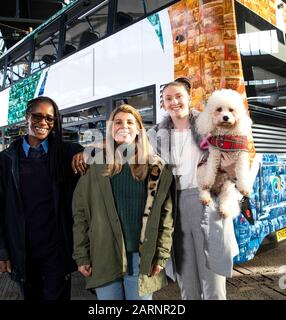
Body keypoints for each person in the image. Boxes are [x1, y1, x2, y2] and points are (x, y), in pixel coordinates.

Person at [147, 78, 238, 300]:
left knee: (213, 280)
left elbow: (238, 162)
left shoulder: (212, 127)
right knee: (186, 281)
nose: (174, 102)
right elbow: (127, 147)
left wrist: (231, 169)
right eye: (168, 98)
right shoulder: (155, 135)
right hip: (173, 207)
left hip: (207, 201)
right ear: (163, 104)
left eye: (178, 96)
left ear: (189, 98)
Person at [72, 104, 174, 300]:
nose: (124, 126)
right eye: (117, 122)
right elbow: (81, 214)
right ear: (110, 128)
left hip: (141, 259)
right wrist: (81, 255)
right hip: (104, 256)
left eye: (130, 122)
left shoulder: (156, 167)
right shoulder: (95, 166)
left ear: (138, 129)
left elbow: (166, 217)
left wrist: (161, 255)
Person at [0, 96, 86, 300]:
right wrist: (0, 249)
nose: (43, 123)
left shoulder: (67, 153)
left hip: (57, 250)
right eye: (38, 116)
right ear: (27, 117)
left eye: (50, 119)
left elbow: (114, 150)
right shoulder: (8, 158)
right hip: (22, 251)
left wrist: (91, 151)